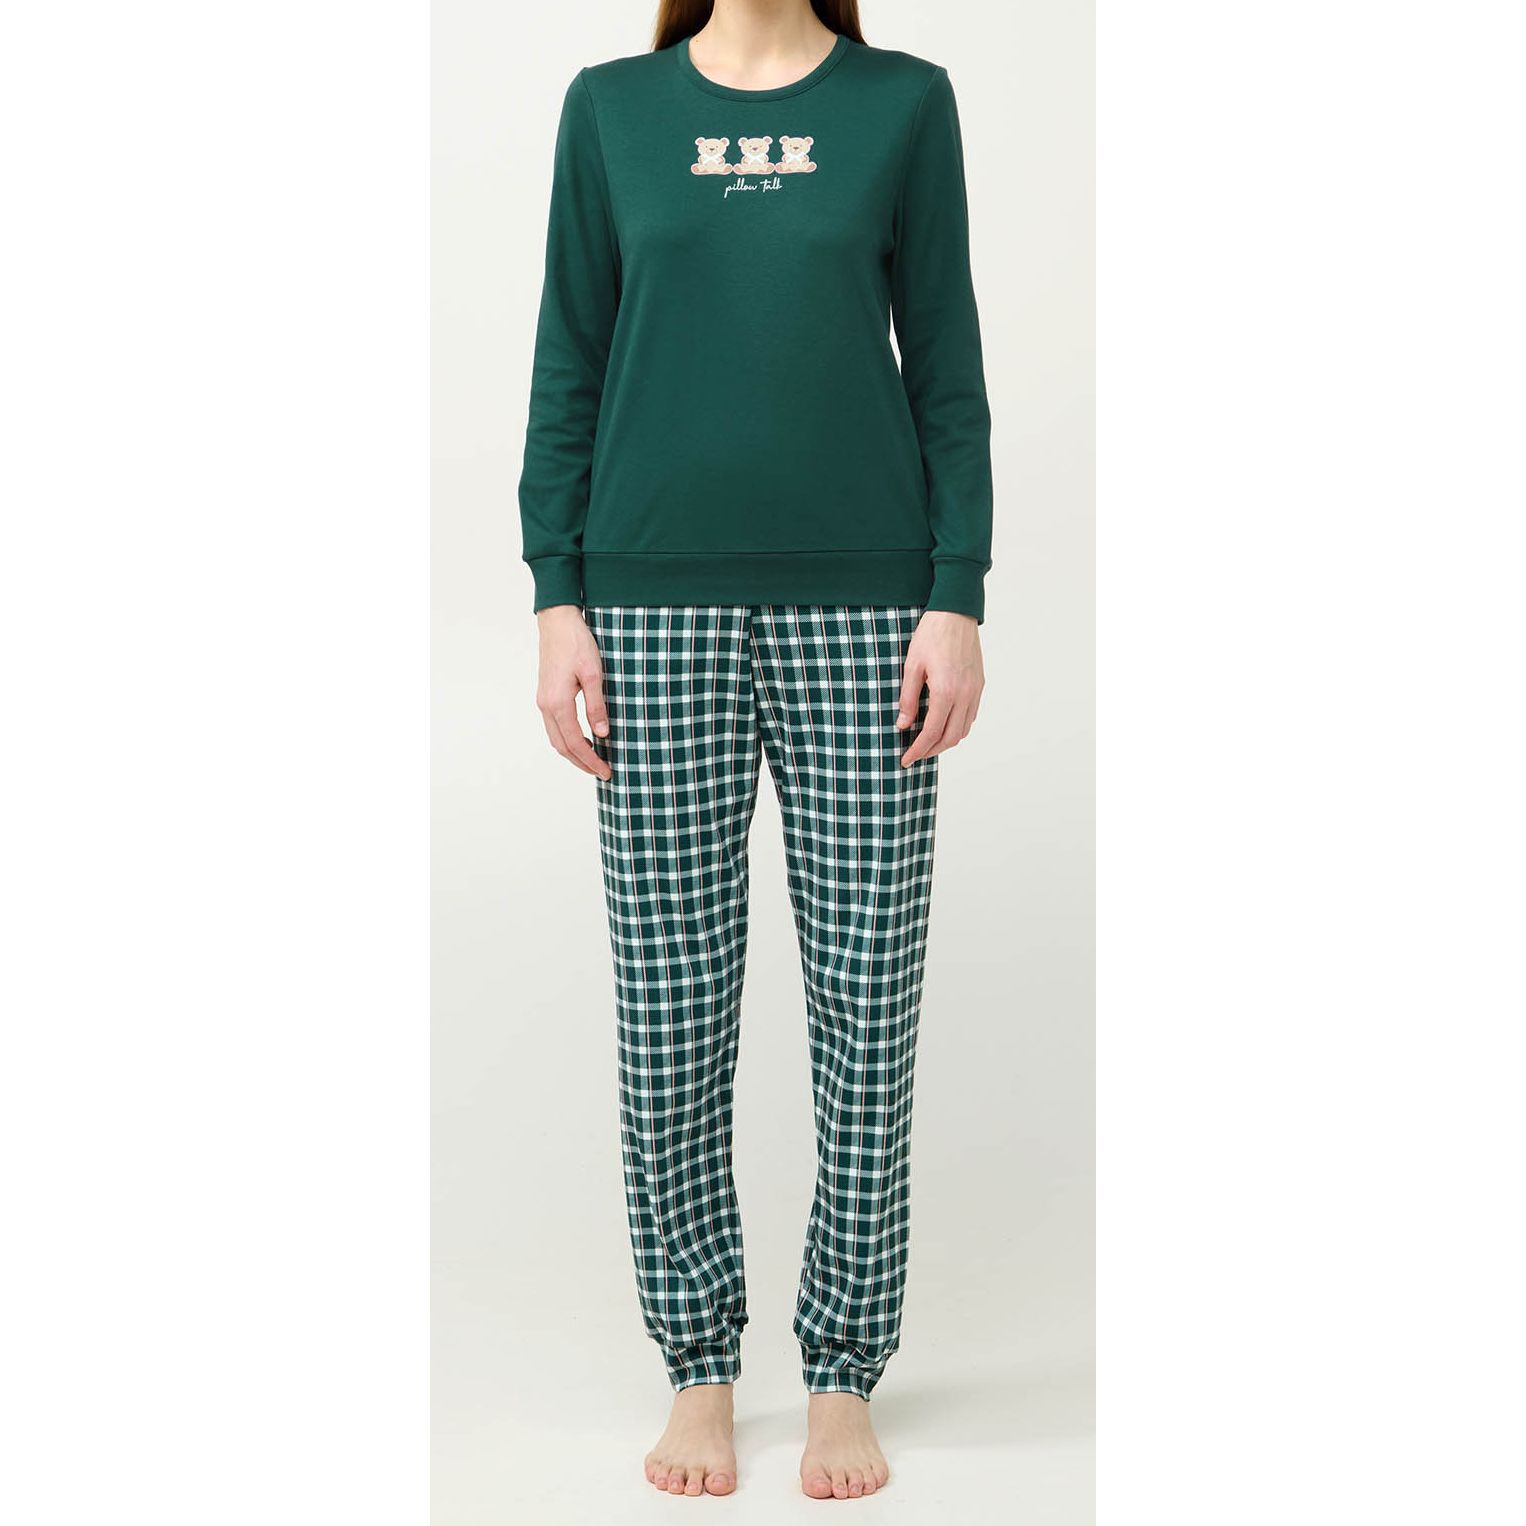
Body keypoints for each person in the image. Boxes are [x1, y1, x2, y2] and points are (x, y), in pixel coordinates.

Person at [518, 0, 991, 1501]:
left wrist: (957, 593)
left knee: (868, 1007)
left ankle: (842, 1368)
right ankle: (699, 1366)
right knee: (669, 1011)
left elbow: (948, 363)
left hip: (869, 611)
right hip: (649, 607)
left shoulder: (904, 103)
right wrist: (556, 594)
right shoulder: (611, 108)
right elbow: (568, 354)